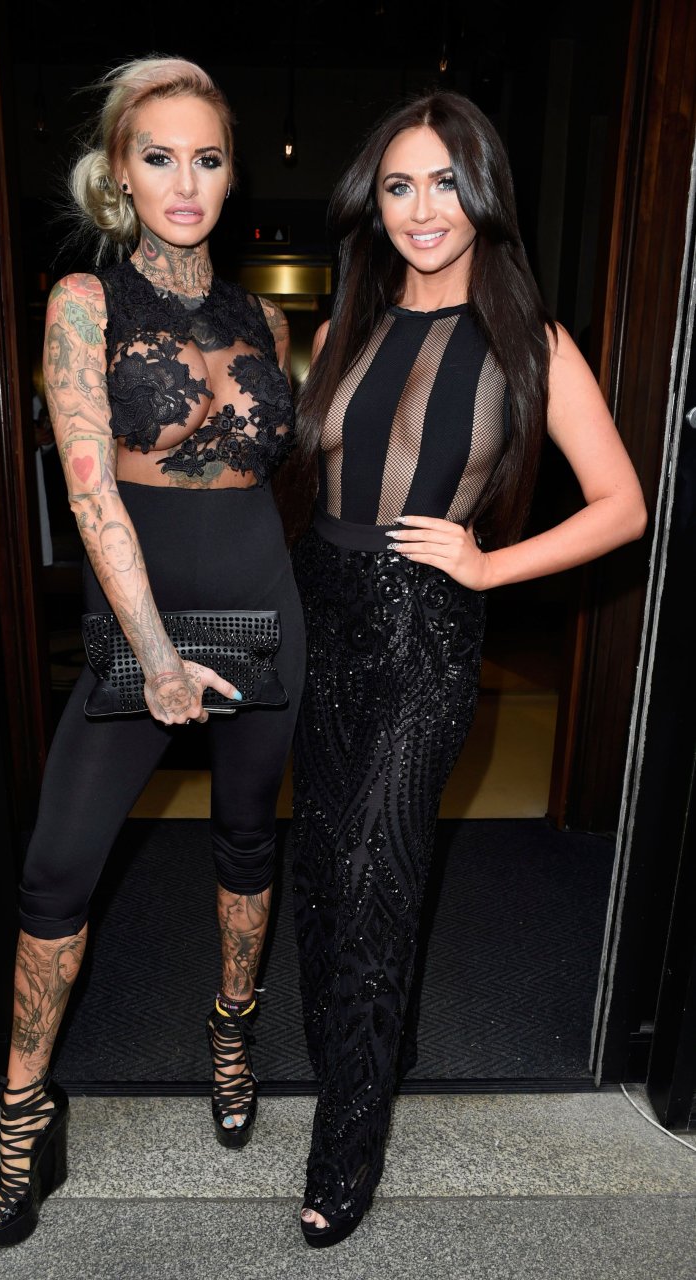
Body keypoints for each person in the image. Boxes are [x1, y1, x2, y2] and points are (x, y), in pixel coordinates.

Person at [290, 90, 647, 1248]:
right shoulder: (344, 329)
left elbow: (622, 504)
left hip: (424, 633)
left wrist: (490, 565)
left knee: (375, 874)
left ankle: (345, 1148)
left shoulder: (530, 341)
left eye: (444, 181)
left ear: (483, 193)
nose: (421, 208)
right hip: (322, 616)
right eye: (398, 185)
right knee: (320, 870)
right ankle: (367, 1047)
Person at [0, 56, 305, 1247]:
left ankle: (231, 1035)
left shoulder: (267, 319)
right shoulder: (85, 299)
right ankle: (26, 1109)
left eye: (207, 158)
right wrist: (155, 654)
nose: (185, 181)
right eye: (159, 156)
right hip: (138, 622)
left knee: (247, 837)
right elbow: (88, 490)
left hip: (264, 607)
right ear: (120, 171)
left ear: (231, 171)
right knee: (57, 867)